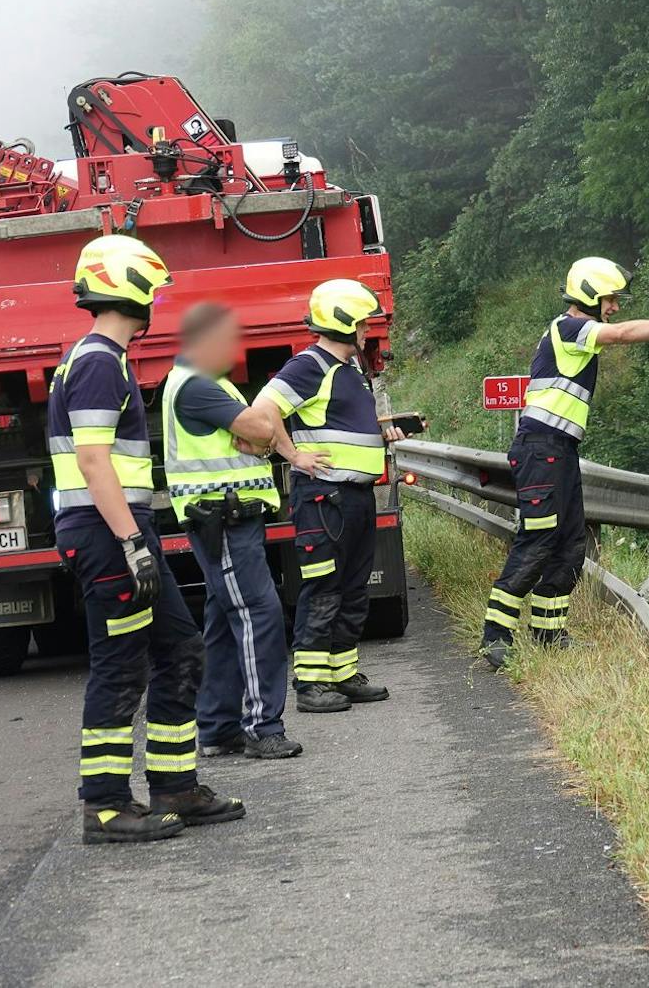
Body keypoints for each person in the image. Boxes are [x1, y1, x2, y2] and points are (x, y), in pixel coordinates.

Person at [50, 234, 244, 843]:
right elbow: (93, 461)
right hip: (109, 538)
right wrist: (133, 542)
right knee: (119, 670)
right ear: (126, 285)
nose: (155, 300)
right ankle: (105, 807)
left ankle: (174, 787)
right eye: (151, 288)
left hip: (119, 534)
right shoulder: (98, 362)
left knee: (181, 650)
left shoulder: (101, 359)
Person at [480, 257, 649, 667]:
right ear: (590, 296)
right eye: (610, 299)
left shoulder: (576, 333)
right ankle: (495, 635)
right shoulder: (569, 328)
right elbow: (623, 334)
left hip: (560, 452)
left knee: (570, 545)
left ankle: (548, 634)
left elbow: (618, 328)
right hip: (541, 450)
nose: (615, 308)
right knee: (537, 542)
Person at [162, 302, 314, 760]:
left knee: (225, 623)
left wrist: (258, 430)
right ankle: (261, 726)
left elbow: (259, 429)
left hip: (229, 519)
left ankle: (217, 726)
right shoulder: (198, 386)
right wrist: (259, 429)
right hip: (221, 522)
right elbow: (259, 426)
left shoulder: (206, 382)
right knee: (258, 615)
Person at [251, 279, 403, 713]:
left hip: (354, 496)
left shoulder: (349, 370)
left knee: (354, 587)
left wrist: (383, 429)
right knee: (324, 587)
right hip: (324, 498)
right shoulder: (308, 365)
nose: (365, 332)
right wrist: (293, 454)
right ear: (344, 324)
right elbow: (264, 411)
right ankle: (312, 684)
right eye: (360, 324)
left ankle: (342, 674)